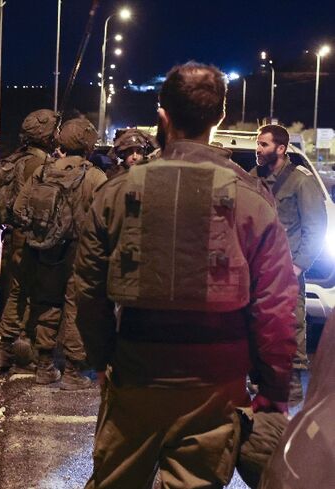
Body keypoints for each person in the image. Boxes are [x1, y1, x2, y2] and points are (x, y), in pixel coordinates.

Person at [75, 62, 298, 488]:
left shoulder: (116, 192)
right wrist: (273, 387)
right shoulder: (252, 197)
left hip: (137, 372)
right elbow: (275, 305)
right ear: (220, 118)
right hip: (217, 385)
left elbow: (87, 289)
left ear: (164, 116)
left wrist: (100, 358)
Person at [15, 115, 106, 389]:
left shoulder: (43, 171)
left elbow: (20, 209)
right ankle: (73, 371)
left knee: (48, 303)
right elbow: (106, 220)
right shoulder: (95, 176)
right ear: (89, 144)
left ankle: (44, 365)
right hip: (81, 252)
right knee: (75, 307)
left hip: (47, 249)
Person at [250, 124, 327, 407]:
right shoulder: (252, 179)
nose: (258, 150)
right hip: (257, 274)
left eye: (264, 145)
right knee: (256, 331)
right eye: (258, 144)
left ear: (281, 149)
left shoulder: (300, 181)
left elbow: (316, 228)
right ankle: (261, 390)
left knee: (289, 331)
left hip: (286, 274)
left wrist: (297, 268)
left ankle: (291, 399)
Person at [0, 109, 60, 373]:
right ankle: (24, 350)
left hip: (14, 234)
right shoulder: (41, 163)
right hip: (32, 235)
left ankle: (5, 348)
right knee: (35, 292)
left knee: (16, 290)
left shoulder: (18, 158)